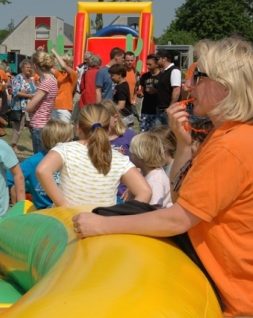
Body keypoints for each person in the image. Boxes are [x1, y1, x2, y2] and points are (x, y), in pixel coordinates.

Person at [72, 38, 253, 317]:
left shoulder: (232, 145)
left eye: (198, 76)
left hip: (235, 297)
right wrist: (182, 144)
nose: (189, 85)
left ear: (225, 86)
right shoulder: (225, 137)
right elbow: (181, 197)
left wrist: (100, 226)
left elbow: (179, 218)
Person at [37, 103, 151, 207]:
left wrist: (62, 204)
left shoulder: (65, 149)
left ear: (78, 128)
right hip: (102, 225)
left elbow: (42, 170)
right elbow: (145, 192)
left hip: (66, 223)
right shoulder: (119, 159)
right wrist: (121, 219)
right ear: (107, 130)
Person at [8, 119, 73, 209]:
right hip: (43, 212)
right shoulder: (33, 162)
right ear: (59, 143)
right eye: (70, 141)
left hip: (68, 209)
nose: (73, 144)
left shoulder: (74, 159)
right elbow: (8, 177)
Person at [25, 50, 58, 154]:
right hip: (45, 121)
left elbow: (30, 107)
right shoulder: (53, 80)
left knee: (39, 159)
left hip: (39, 124)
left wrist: (29, 104)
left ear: (35, 65)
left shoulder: (46, 83)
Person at [129, 132, 172, 208]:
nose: (130, 155)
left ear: (141, 155)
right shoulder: (150, 171)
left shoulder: (155, 181)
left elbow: (153, 208)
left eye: (133, 153)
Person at [10, 59, 36, 153]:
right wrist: (28, 95)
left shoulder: (32, 79)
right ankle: (14, 146)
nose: (29, 69)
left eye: (30, 67)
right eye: (27, 67)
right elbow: (15, 92)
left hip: (32, 106)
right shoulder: (18, 78)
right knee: (18, 127)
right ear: (22, 68)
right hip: (20, 106)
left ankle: (36, 146)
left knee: (33, 127)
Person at [155, 49, 181, 126]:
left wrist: (171, 107)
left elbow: (176, 90)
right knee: (158, 134)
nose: (156, 61)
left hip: (168, 110)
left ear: (165, 59)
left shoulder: (174, 71)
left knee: (169, 134)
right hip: (160, 109)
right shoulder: (164, 72)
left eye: (158, 59)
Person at [51, 48, 77, 123]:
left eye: (63, 61)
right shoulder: (60, 73)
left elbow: (63, 66)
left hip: (65, 107)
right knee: (54, 131)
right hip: (55, 106)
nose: (60, 63)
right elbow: (47, 68)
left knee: (64, 131)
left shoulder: (73, 74)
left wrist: (55, 53)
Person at [138, 54, 161, 132]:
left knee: (156, 133)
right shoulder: (144, 76)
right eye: (146, 64)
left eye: (150, 64)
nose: (147, 66)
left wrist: (156, 91)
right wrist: (140, 93)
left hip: (157, 109)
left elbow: (166, 92)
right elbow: (141, 90)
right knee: (143, 132)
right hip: (146, 109)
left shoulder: (162, 76)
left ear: (156, 64)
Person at [109, 64, 134, 128]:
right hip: (123, 116)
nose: (111, 77)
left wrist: (109, 109)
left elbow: (121, 105)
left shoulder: (121, 88)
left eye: (112, 75)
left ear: (119, 75)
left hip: (125, 117)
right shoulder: (121, 85)